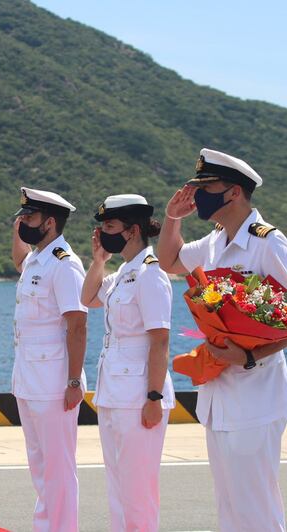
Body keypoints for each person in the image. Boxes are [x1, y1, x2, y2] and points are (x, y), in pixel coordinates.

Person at [157, 148, 287, 532]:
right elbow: (170, 261)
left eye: (207, 186)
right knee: (230, 505)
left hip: (257, 393)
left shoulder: (269, 242)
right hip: (220, 393)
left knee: (256, 504)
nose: (198, 194)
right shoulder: (214, 241)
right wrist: (173, 220)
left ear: (234, 192)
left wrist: (250, 358)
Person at [80, 194, 175, 532]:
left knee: (138, 489)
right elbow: (88, 298)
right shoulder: (124, 273)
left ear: (132, 230)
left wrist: (153, 397)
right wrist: (97, 261)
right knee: (118, 485)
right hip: (114, 391)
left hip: (138, 394)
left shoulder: (150, 274)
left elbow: (159, 340)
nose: (103, 232)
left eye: (109, 227)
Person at [10, 186, 88, 532]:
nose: (24, 222)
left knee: (57, 468)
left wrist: (73, 381)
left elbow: (77, 326)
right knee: (39, 465)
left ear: (51, 222)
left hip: (55, 382)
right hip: (29, 377)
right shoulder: (35, 259)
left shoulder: (66, 265)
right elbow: (18, 259)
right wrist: (18, 231)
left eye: (30, 217)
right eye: (22, 217)